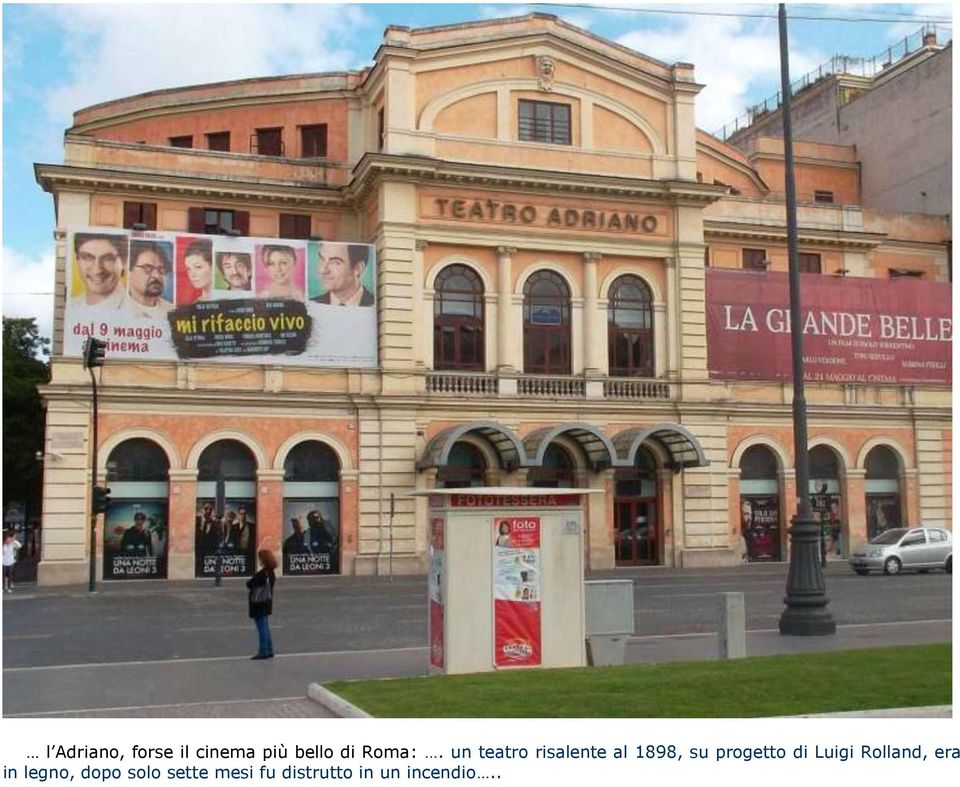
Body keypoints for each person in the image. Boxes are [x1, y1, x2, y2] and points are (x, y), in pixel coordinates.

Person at [70, 232, 129, 312]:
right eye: (87, 258)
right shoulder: (71, 307)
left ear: (124, 262)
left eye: (108, 259)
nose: (97, 270)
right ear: (77, 260)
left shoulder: (135, 313)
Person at [127, 241, 174, 319]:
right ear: (130, 272)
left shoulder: (172, 310)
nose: (157, 276)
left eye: (161, 269)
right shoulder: (117, 308)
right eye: (147, 268)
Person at [246, 549, 278, 659]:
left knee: (262, 628)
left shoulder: (262, 574)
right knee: (265, 627)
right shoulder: (271, 573)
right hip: (267, 602)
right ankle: (269, 649)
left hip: (259, 603)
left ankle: (263, 650)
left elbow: (249, 584)